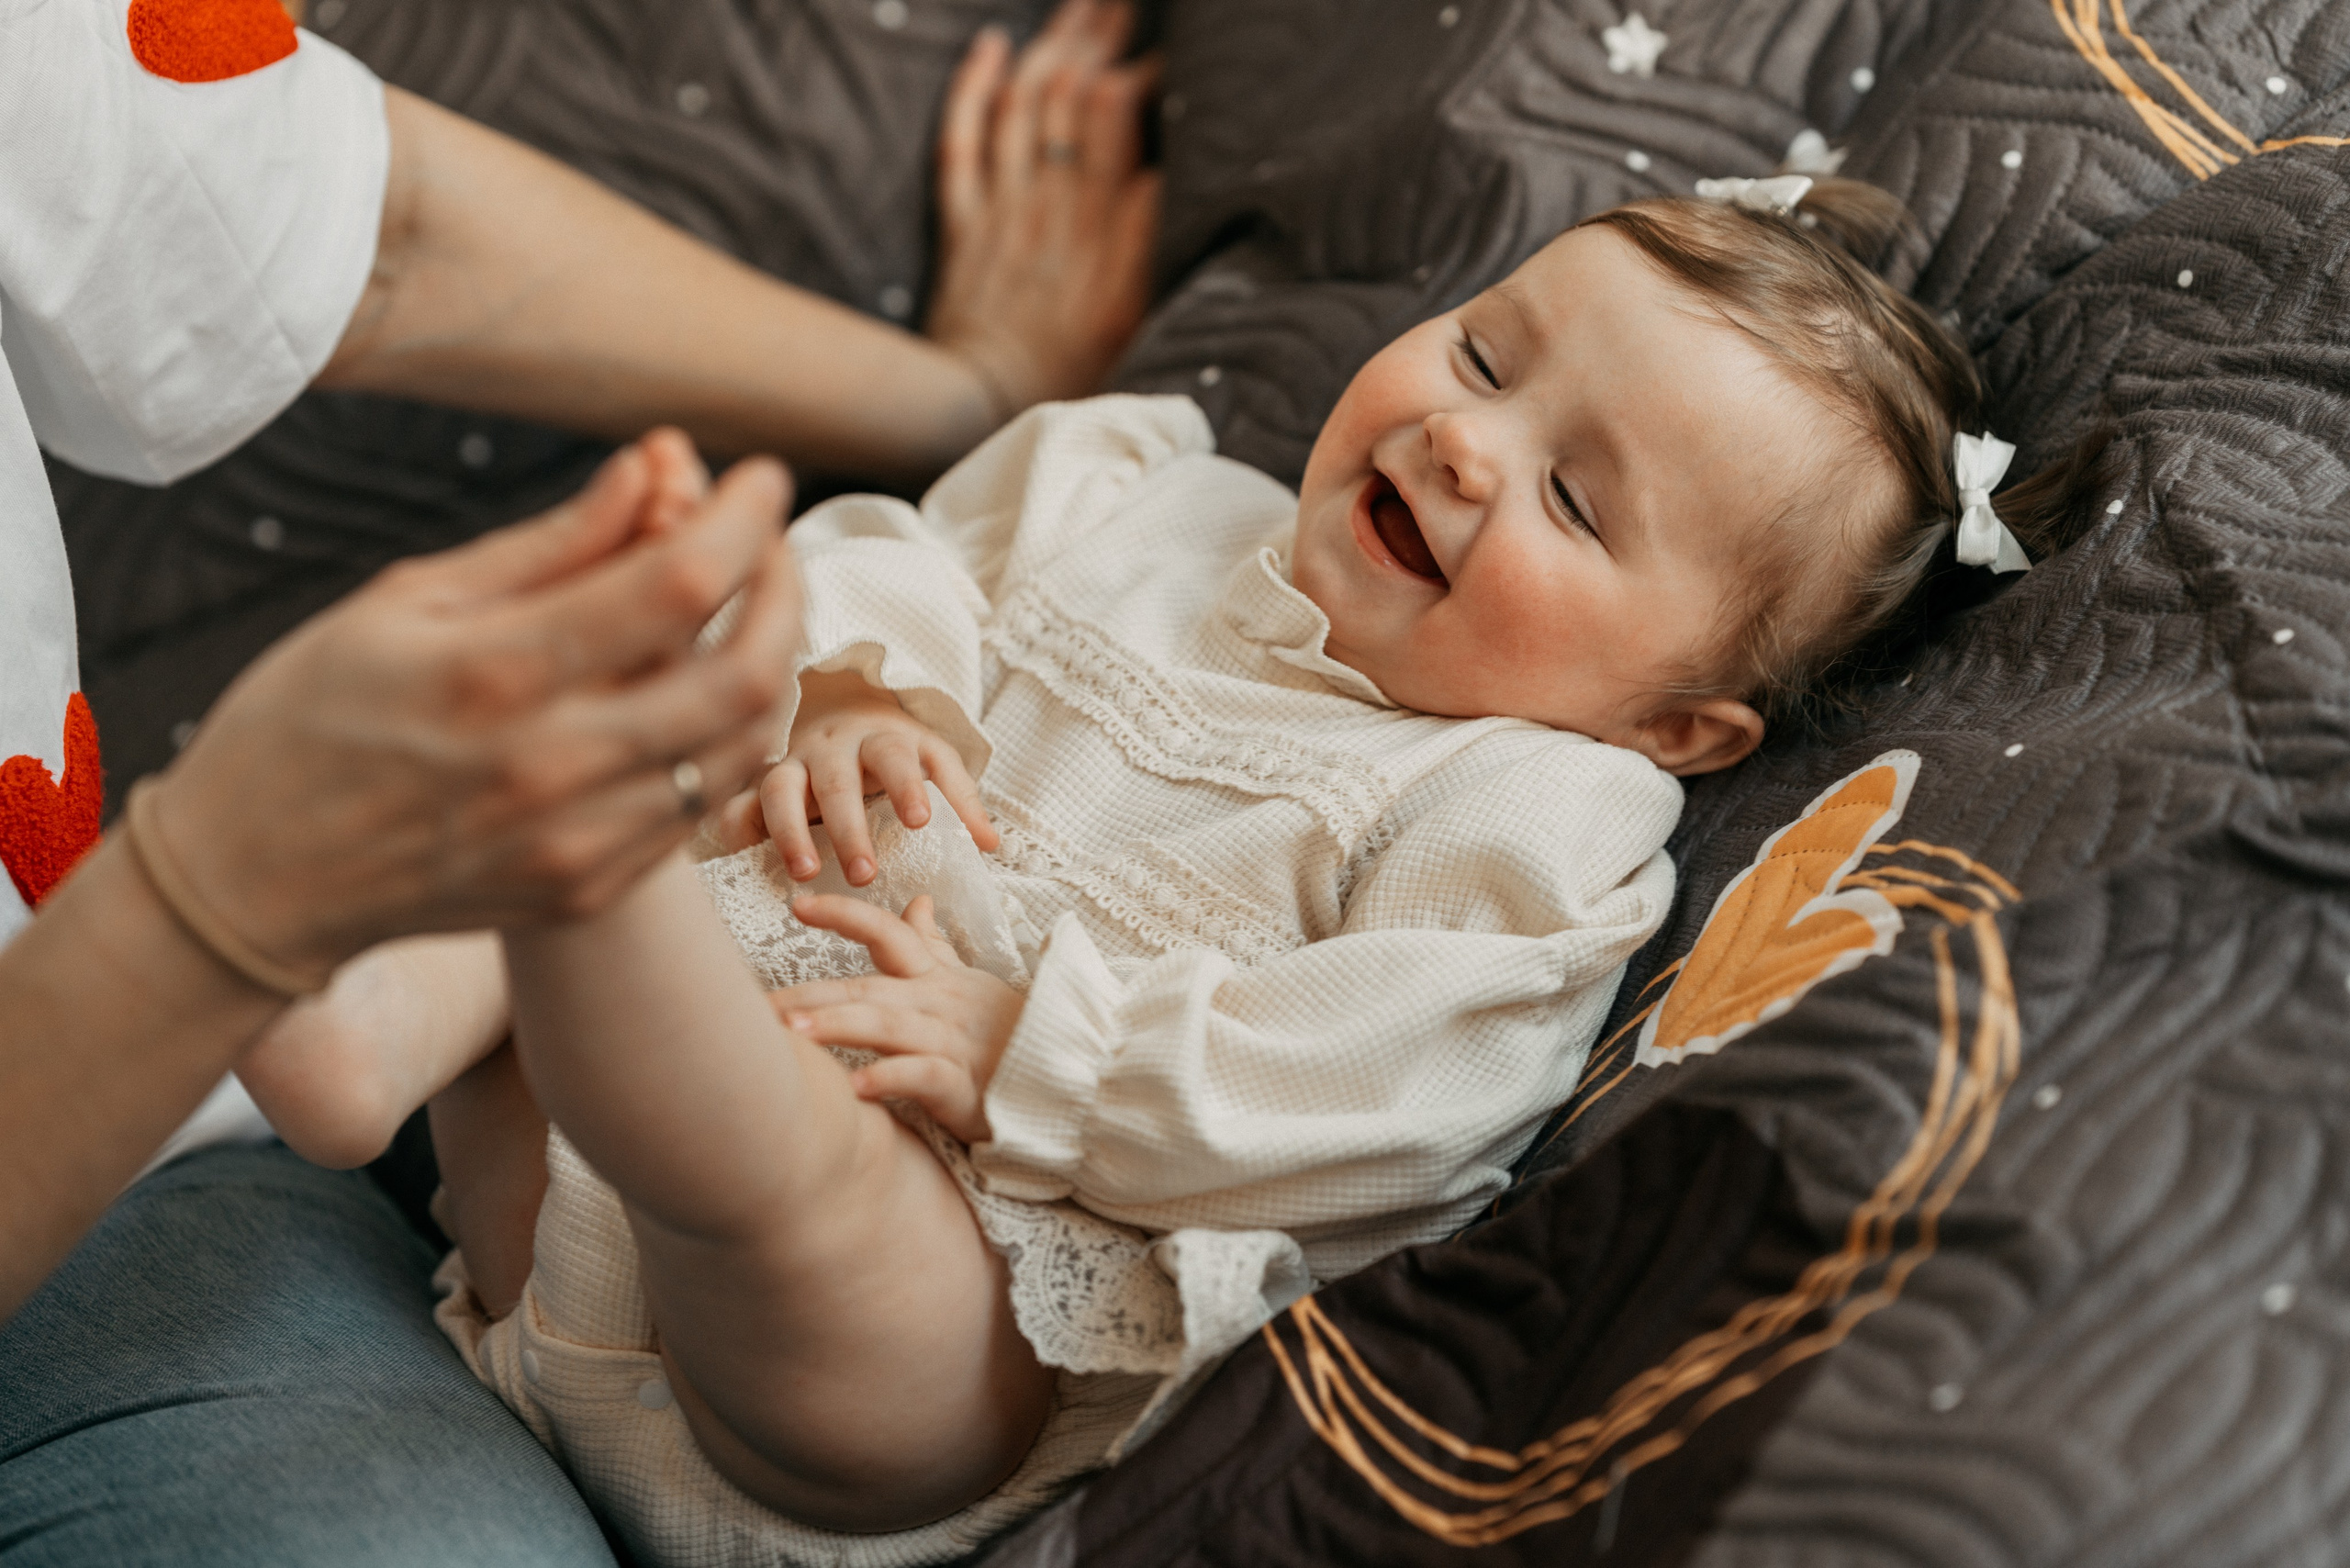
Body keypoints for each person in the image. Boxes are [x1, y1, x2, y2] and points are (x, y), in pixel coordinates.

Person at [235, 175, 2098, 1567]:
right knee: (649, 766)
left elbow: (1396, 1084)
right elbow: (881, 545)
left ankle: (550, 924)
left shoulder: (1529, 802)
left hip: (889, 1342)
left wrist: (1030, 1054)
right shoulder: (1129, 485)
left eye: (1570, 498)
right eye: (1483, 351)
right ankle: (392, 1003)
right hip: (545, 1175)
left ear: (1675, 726)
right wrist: (860, 687)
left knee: (805, 1166)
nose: (1461, 436)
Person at [0, 0, 1158, 1562]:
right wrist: (209, 900)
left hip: (151, 1149)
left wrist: (975, 399)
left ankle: (460, 932)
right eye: (1485, 357)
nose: (1468, 450)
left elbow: (351, 222)